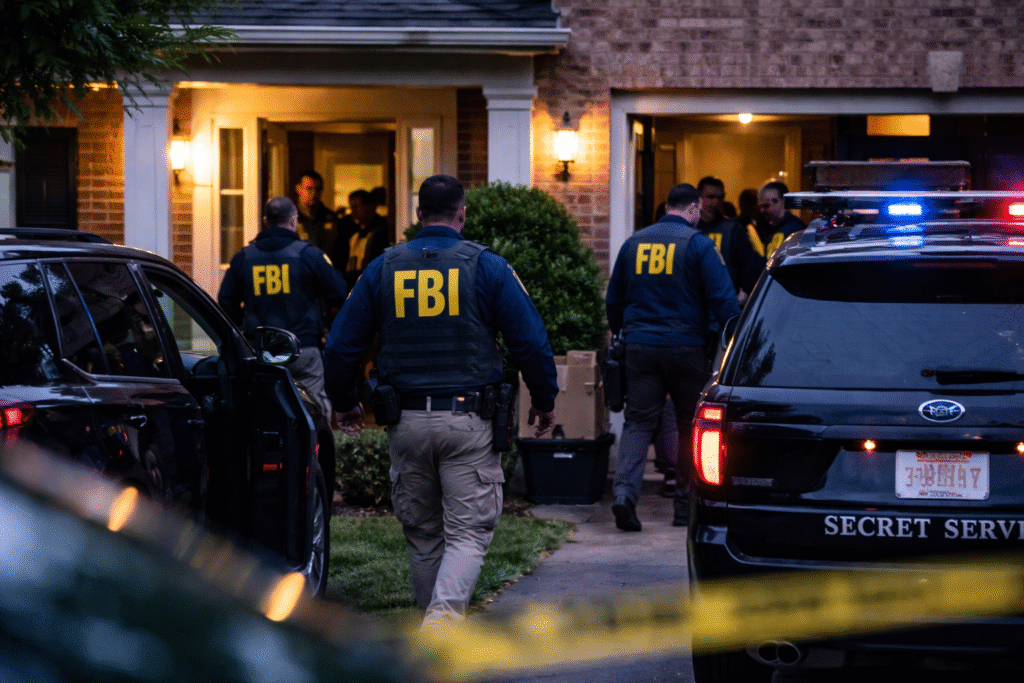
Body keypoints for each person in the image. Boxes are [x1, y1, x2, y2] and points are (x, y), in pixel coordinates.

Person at [324, 174, 558, 626]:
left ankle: (432, 651)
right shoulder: (487, 267)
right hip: (468, 420)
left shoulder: (383, 266)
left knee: (425, 535)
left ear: (417, 216)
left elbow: (341, 345)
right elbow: (530, 342)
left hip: (405, 422)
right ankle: (440, 631)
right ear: (462, 213)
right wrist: (545, 400)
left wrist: (345, 401)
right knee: (468, 534)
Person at [606, 183, 741, 531]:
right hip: (686, 349)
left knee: (638, 423)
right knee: (688, 426)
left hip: (640, 348)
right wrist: (730, 340)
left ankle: (624, 496)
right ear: (694, 209)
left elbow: (614, 301)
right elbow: (725, 302)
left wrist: (622, 331)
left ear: (667, 206)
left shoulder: (633, 243)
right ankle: (684, 507)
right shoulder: (698, 245)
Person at [218, 196, 348, 419]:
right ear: (294, 220)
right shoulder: (310, 255)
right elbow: (338, 293)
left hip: (262, 351)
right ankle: (314, 451)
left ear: (265, 220)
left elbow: (226, 301)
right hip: (304, 348)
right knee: (313, 411)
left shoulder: (244, 257)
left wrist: (246, 324)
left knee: (266, 411)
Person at [695, 176, 765, 301]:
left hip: (724, 302)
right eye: (710, 197)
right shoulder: (689, 229)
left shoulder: (734, 231)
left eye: (720, 197)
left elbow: (752, 267)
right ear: (699, 198)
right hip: (694, 302)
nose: (715, 202)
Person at [333, 188, 390, 290]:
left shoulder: (382, 232)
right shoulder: (352, 233)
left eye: (356, 207)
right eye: (351, 207)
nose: (352, 212)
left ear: (370, 206)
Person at [751, 180, 806, 260]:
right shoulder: (772, 227)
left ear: (782, 202)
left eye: (766, 206)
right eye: (760, 207)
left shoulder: (795, 230)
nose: (762, 210)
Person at [294, 170, 339, 255]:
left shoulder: (332, 219)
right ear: (298, 189)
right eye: (309, 189)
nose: (314, 193)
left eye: (318, 189)